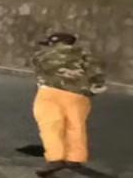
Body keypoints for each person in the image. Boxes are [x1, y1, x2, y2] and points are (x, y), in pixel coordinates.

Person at [30, 32, 107, 177]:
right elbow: (97, 74)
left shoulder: (43, 55)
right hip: (78, 95)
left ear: (53, 43)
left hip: (49, 93)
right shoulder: (86, 55)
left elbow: (37, 67)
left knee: (51, 126)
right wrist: (94, 87)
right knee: (76, 126)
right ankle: (75, 158)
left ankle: (55, 158)